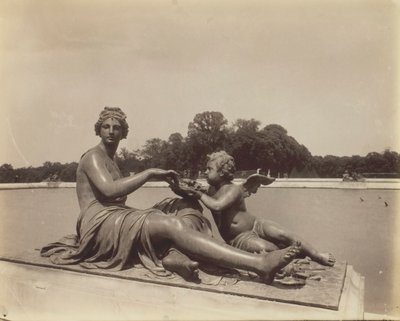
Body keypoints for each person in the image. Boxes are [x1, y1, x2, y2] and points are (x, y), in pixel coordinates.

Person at [41, 107, 301, 284]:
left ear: (123, 132)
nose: (111, 131)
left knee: (185, 204)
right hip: (99, 225)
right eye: (106, 126)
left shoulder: (111, 160)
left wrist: (180, 189)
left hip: (116, 218)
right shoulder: (93, 157)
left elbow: (117, 198)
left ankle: (173, 257)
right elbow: (109, 191)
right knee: (170, 223)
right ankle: (259, 264)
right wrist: (151, 173)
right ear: (98, 130)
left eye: (116, 127)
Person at [175, 151, 335, 267]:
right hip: (239, 239)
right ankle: (292, 256)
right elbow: (195, 194)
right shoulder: (209, 191)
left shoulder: (233, 189)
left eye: (209, 169)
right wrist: (179, 185)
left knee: (284, 234)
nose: (205, 172)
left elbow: (217, 205)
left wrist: (197, 193)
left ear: (223, 172)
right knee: (267, 249)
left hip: (256, 224)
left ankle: (316, 255)